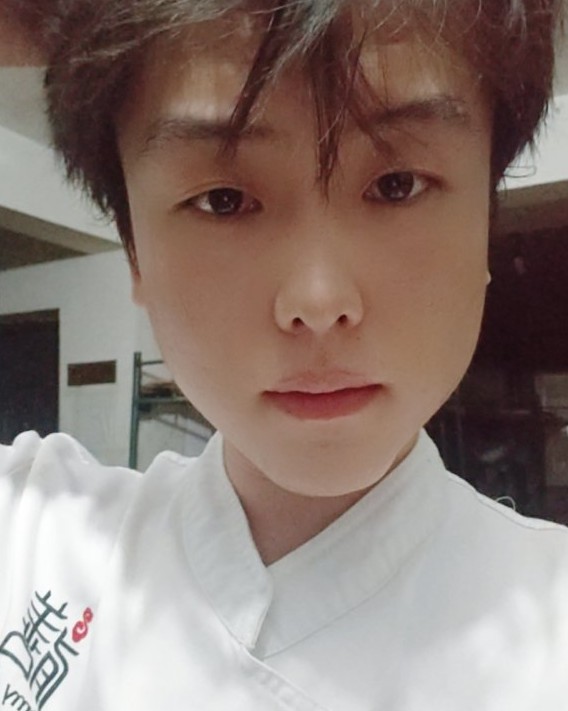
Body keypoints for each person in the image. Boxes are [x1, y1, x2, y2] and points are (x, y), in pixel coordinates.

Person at [1, 1, 567, 709]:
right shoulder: (34, 532)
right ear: (134, 249)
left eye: (396, 185)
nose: (319, 301)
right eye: (224, 199)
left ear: (485, 219)